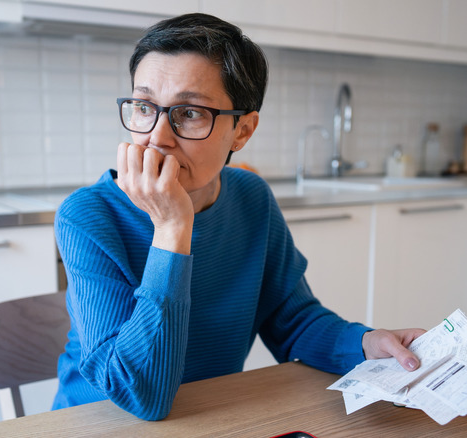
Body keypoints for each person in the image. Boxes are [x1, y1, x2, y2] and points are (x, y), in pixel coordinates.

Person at [51, 13, 425, 421]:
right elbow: (141, 395)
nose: (157, 137)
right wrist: (173, 228)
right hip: (98, 424)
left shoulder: (251, 198)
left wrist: (366, 343)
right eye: (144, 107)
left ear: (243, 131)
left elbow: (292, 320)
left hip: (211, 418)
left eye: (190, 113)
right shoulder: (87, 216)